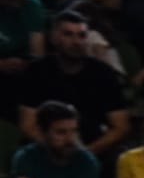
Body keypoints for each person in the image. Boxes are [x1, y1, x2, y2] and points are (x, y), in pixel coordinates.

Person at [16, 11, 131, 166]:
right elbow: (28, 125)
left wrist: (86, 153)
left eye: (82, 35)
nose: (76, 42)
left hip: (92, 146)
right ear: (54, 38)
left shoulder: (104, 74)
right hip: (46, 146)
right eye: (68, 34)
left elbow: (121, 127)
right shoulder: (36, 71)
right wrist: (56, 150)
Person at [0, 0, 48, 119]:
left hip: (20, 70)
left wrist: (27, 64)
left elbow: (37, 54)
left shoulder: (30, 4)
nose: (17, 5)